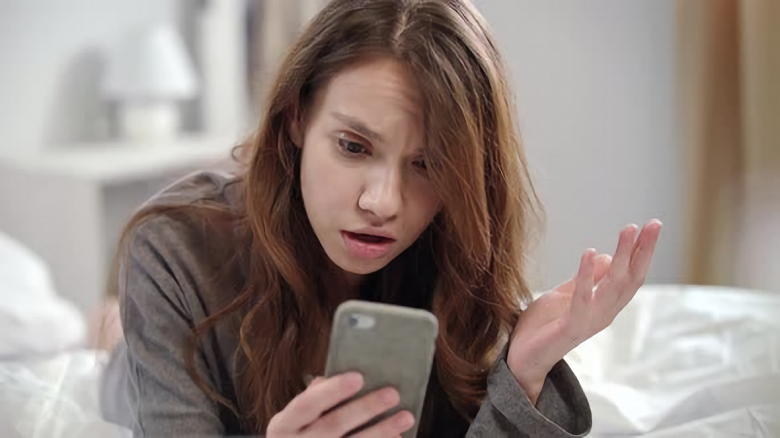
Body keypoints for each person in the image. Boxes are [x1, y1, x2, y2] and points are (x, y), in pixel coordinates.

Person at [110, 0, 662, 436]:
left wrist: (523, 374)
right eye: (353, 146)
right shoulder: (175, 248)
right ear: (296, 117)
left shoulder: (459, 257)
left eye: (428, 164)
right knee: (111, 346)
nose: (382, 202)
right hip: (138, 355)